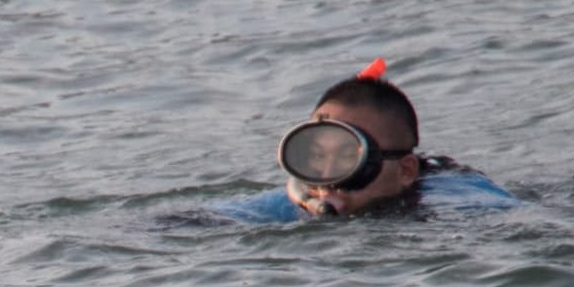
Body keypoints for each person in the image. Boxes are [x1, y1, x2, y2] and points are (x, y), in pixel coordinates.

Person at [219, 58, 516, 223]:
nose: (327, 181)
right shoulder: (297, 201)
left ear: (405, 171)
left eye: (348, 159)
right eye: (316, 158)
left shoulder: (456, 200)